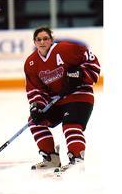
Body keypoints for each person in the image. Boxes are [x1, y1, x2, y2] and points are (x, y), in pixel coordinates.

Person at [24, 27, 101, 170]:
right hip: (57, 100)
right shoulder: (31, 63)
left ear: (51, 40)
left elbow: (93, 63)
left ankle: (77, 158)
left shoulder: (66, 49)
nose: (42, 42)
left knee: (70, 124)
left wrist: (81, 74)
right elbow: (35, 89)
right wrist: (37, 106)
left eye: (45, 38)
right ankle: (51, 158)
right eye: (39, 39)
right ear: (34, 42)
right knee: (34, 121)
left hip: (79, 95)